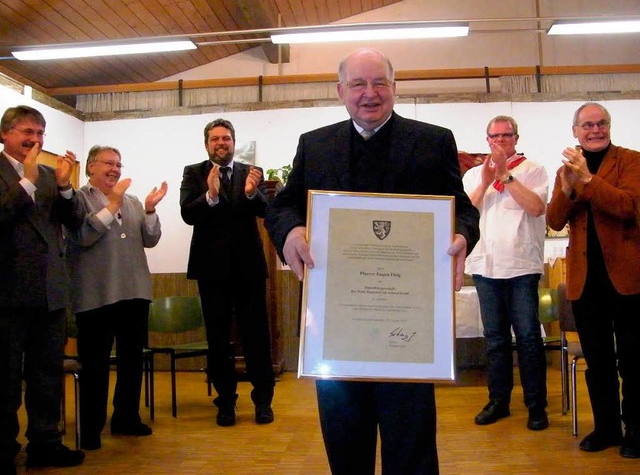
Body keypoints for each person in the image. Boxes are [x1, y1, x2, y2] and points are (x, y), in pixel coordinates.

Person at [264, 48, 480, 475]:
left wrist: (461, 234)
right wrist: (290, 232)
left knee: (412, 446)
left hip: (409, 327)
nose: (369, 93)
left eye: (379, 82)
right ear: (341, 91)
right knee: (346, 446)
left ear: (394, 88)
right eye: (358, 84)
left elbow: (465, 210)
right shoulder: (316, 145)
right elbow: (283, 207)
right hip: (337, 327)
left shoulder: (433, 141)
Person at [547, 102, 640, 458]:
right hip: (586, 282)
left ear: (609, 126)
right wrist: (569, 188)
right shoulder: (566, 170)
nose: (595, 130)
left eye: (601, 123)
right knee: (598, 361)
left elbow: (626, 206)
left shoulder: (631, 161)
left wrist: (588, 180)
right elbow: (555, 220)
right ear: (576, 131)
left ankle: (635, 429)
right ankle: (607, 427)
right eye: (587, 125)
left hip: (627, 279)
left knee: (633, 360)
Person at [0, 105, 85, 474]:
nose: (34, 140)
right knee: (4, 378)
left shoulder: (53, 176)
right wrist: (27, 182)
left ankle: (45, 443)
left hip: (49, 291)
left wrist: (66, 187)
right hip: (7, 293)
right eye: (26, 132)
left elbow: (75, 223)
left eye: (40, 133)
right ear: (5, 134)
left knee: (47, 374)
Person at [65, 145, 167, 450]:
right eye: (109, 163)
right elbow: (82, 237)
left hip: (135, 294)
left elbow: (150, 240)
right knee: (94, 365)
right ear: (91, 168)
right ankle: (91, 428)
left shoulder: (133, 202)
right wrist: (111, 205)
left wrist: (150, 210)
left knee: (131, 362)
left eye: (119, 165)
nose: (115, 169)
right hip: (95, 296)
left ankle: (126, 418)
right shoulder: (79, 200)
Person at [180, 118, 275, 427]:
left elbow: (266, 210)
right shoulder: (193, 173)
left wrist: (251, 193)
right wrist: (209, 196)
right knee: (218, 340)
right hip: (211, 271)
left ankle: (263, 402)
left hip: (248, 269)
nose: (221, 143)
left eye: (226, 138)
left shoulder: (251, 173)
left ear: (233, 142)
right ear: (206, 144)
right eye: (215, 139)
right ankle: (225, 403)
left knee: (256, 337)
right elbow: (187, 214)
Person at [463, 115, 549, 430]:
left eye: (506, 135)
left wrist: (506, 176)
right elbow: (465, 214)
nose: (500, 141)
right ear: (487, 140)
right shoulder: (473, 175)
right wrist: (487, 179)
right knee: (495, 339)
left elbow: (537, 208)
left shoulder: (533, 170)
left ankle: (536, 406)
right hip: (485, 266)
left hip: (522, 266)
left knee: (527, 337)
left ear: (516, 138)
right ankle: (498, 402)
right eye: (494, 136)